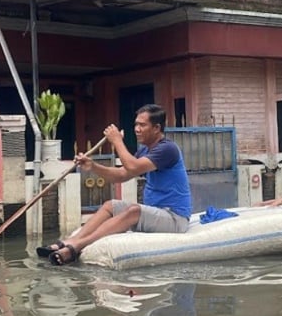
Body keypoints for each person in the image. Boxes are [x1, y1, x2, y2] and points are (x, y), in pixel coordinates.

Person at [41, 104, 192, 265]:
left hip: (174, 218)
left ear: (156, 128)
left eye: (142, 125)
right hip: (156, 213)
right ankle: (69, 241)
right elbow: (121, 175)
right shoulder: (144, 150)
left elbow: (133, 166)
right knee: (110, 205)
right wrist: (93, 166)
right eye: (136, 124)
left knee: (134, 210)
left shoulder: (168, 149)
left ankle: (77, 246)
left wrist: (117, 141)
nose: (137, 129)